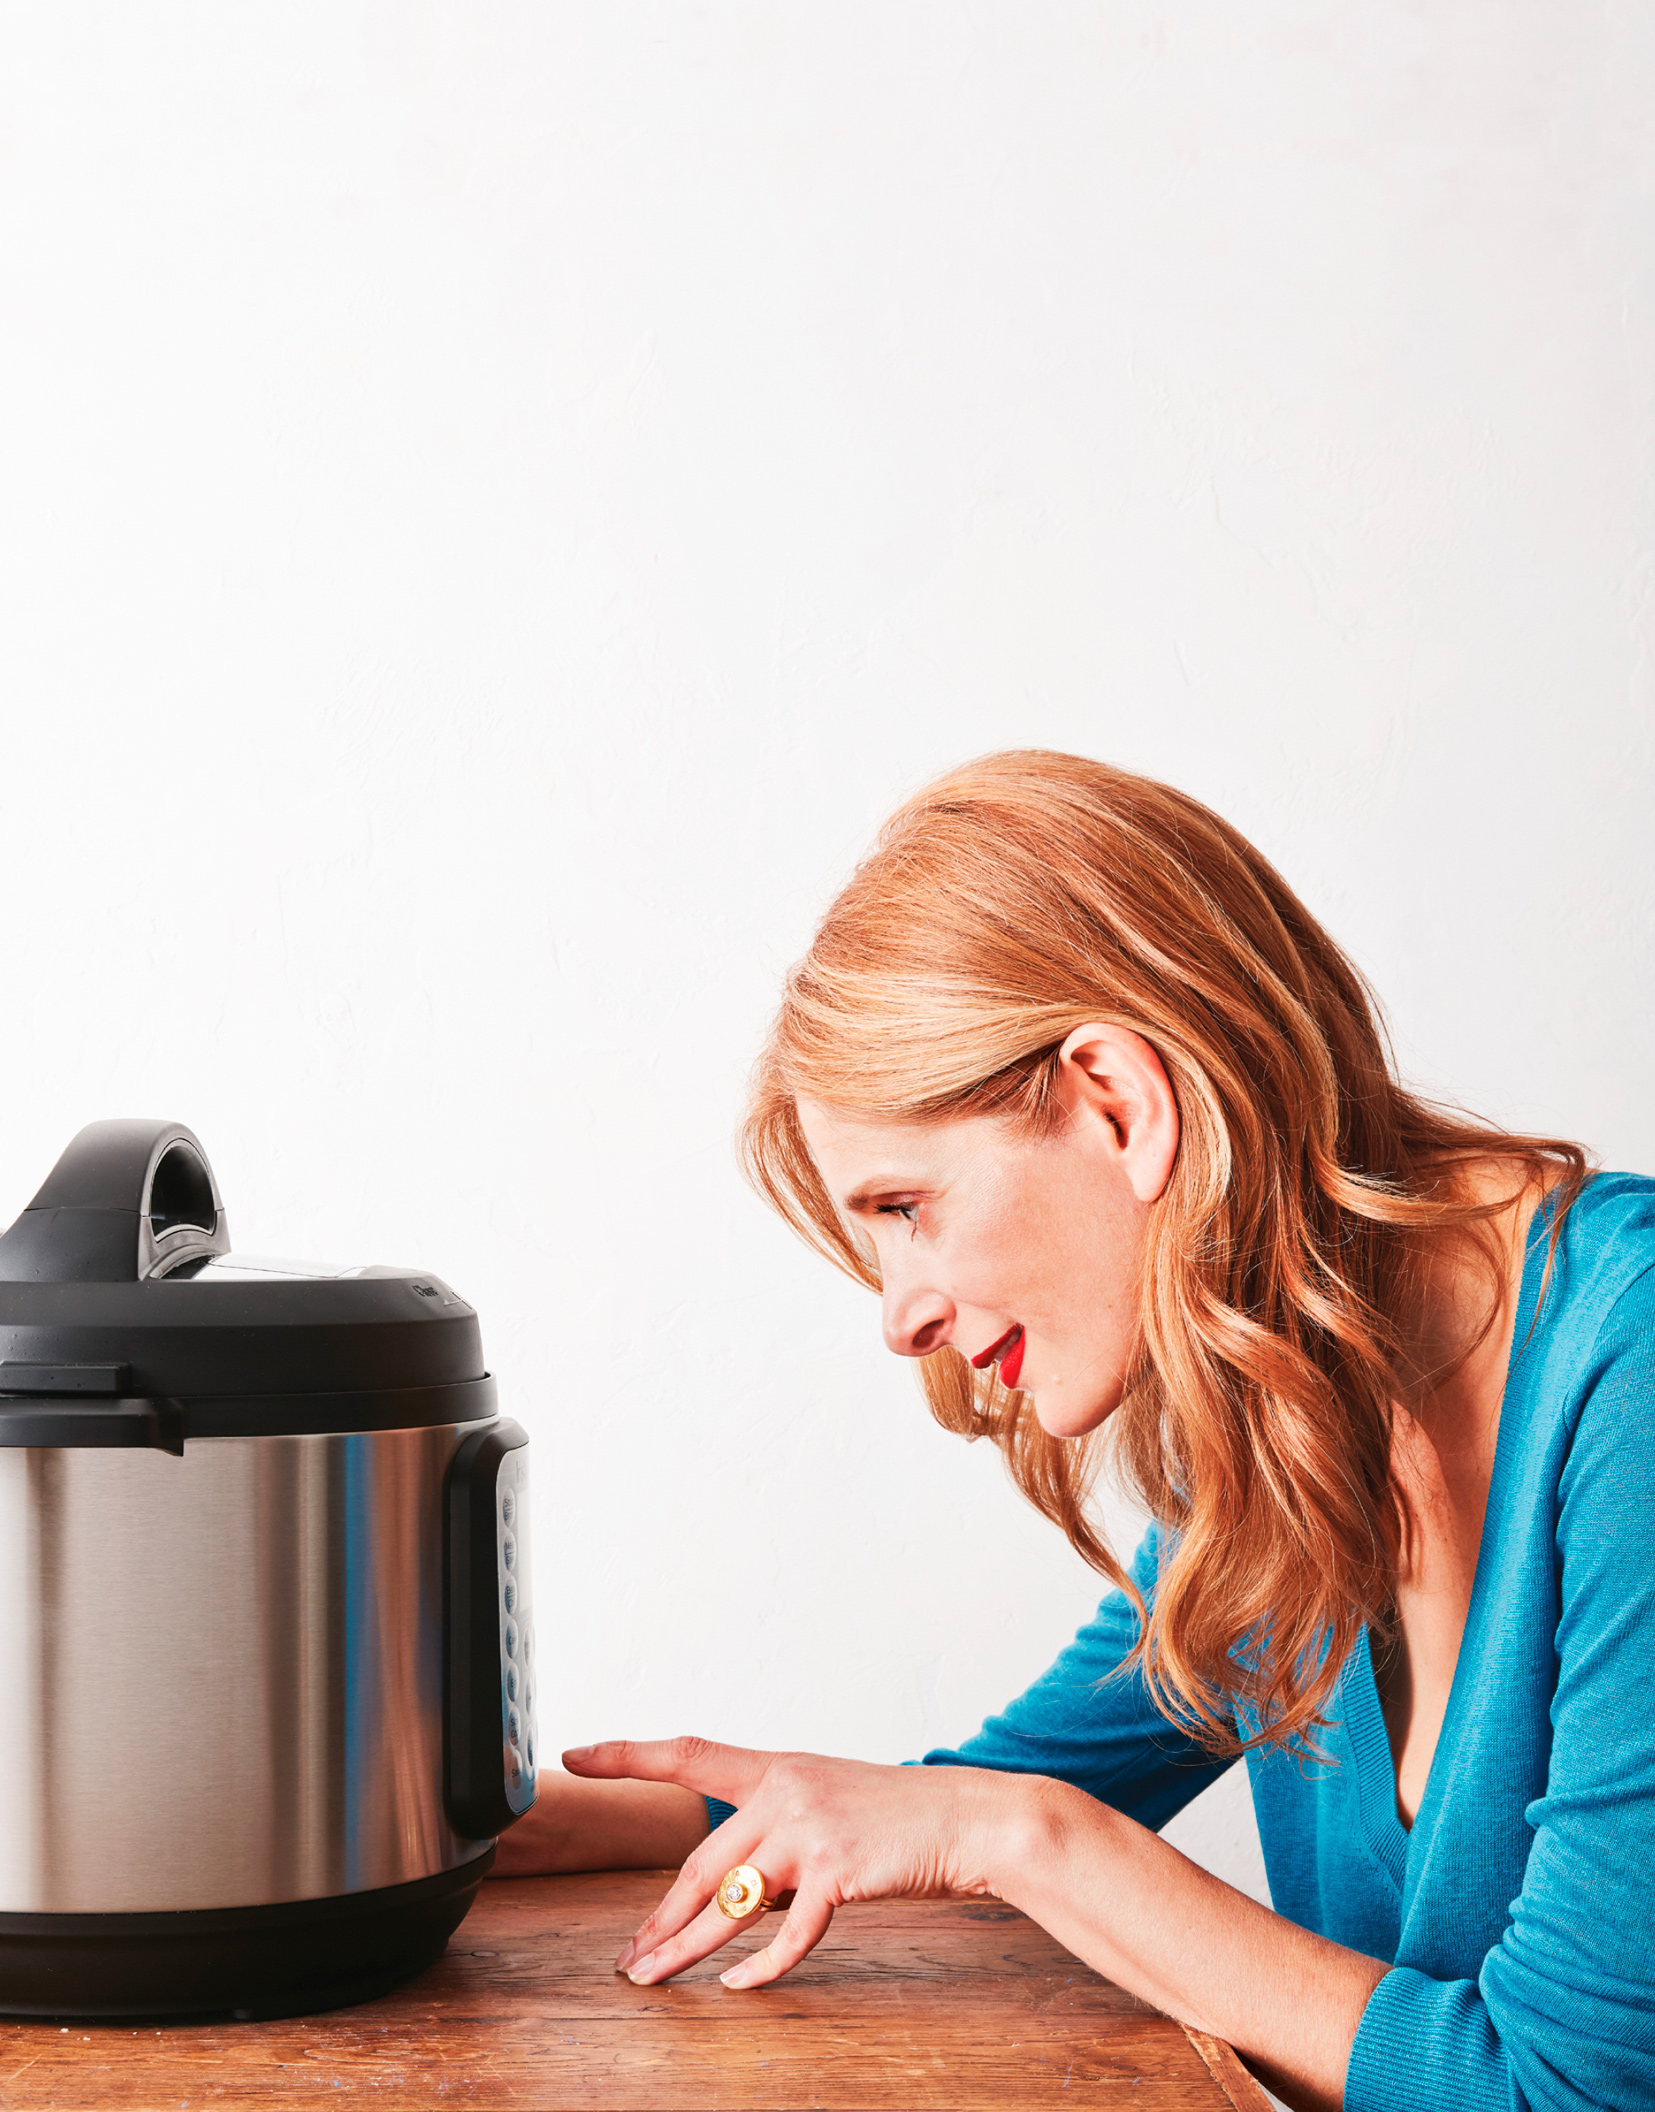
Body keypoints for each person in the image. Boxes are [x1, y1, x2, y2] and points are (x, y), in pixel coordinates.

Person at [496, 751, 1654, 2112]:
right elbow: (958, 1802)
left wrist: (1029, 1841)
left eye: (907, 1208)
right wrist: (459, 1829)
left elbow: (1560, 2094)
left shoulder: (1627, 1375)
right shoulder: (1293, 1428)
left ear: (1119, 1100)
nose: (900, 1318)